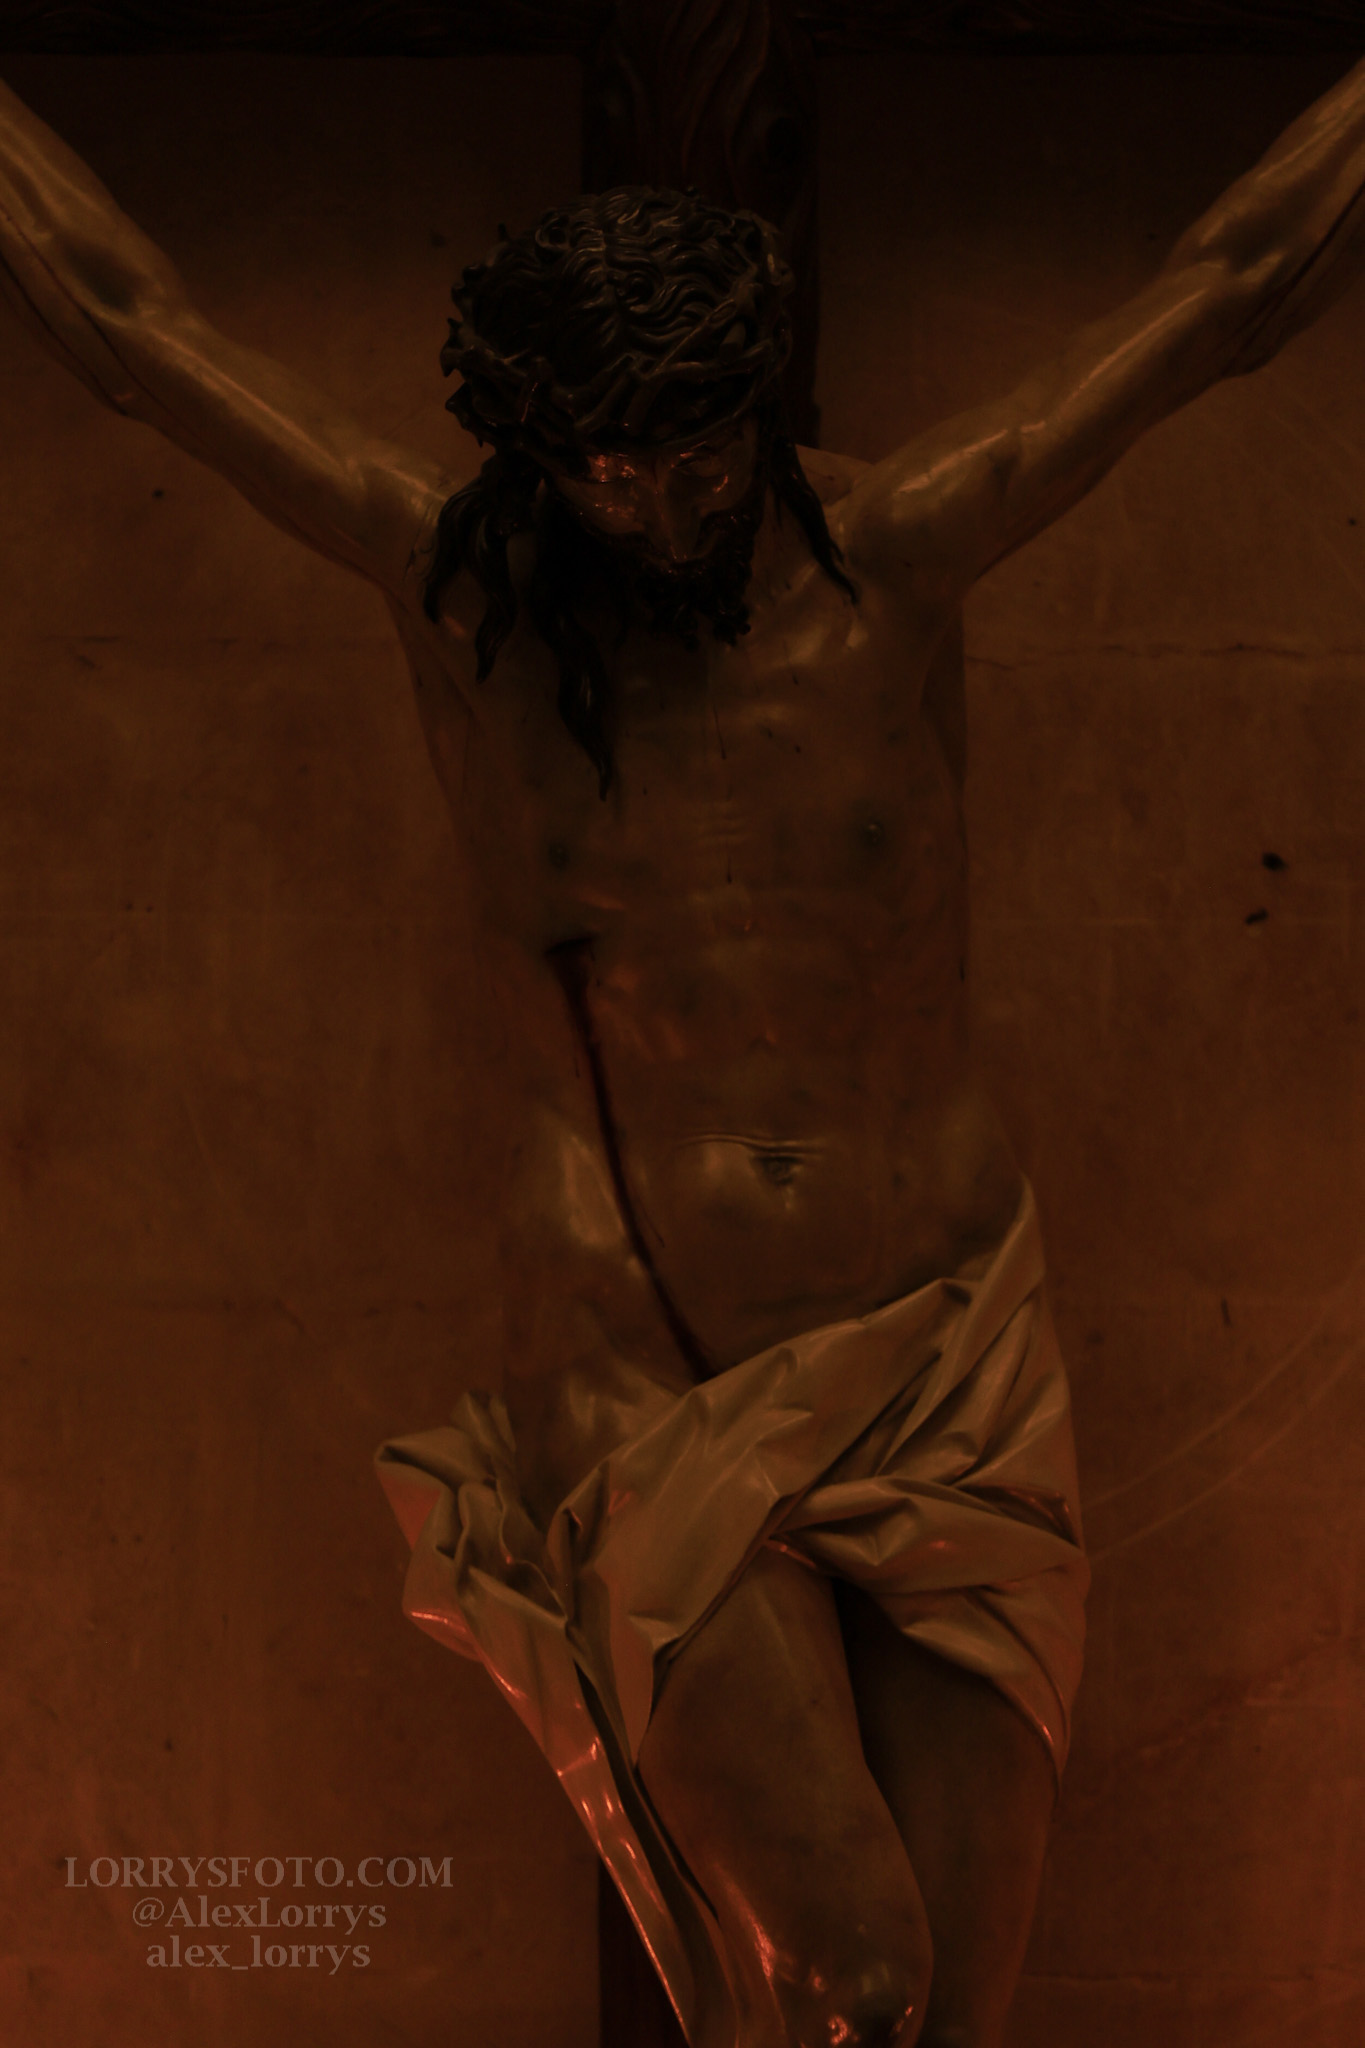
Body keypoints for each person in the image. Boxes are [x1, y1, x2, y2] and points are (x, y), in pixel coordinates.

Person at [3, 61, 1364, 2048]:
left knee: (941, 2016)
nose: (662, 507)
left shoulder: (900, 553)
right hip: (648, 1367)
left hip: (948, 1345)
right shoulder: (452, 596)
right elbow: (137, 328)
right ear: (536, 455)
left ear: (756, 410)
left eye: (699, 454)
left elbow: (1221, 288)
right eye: (608, 469)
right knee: (856, 1972)